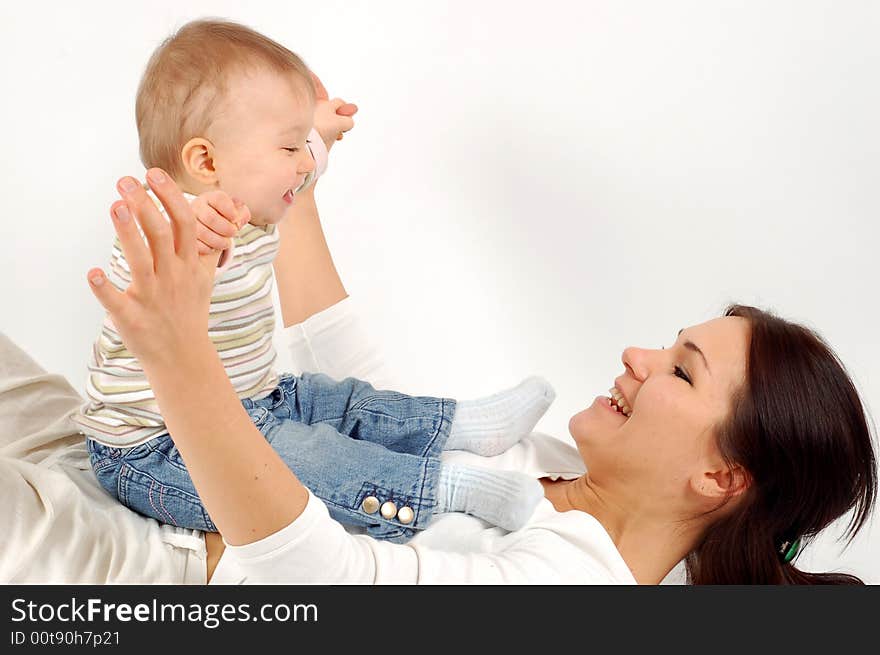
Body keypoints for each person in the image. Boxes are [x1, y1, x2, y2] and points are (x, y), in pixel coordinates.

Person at [85, 164, 877, 584]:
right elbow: (368, 393)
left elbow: (327, 580)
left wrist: (179, 349)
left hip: (138, 563)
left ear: (720, 476)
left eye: (680, 370)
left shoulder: (572, 582)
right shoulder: (560, 473)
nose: (638, 357)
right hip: (146, 470)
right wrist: (291, 188)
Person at [73, 18, 552, 544]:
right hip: (155, 448)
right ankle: (441, 488)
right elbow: (154, 271)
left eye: (303, 145)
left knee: (336, 399)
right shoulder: (168, 227)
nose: (304, 163)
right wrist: (198, 226)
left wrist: (314, 131)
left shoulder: (249, 196)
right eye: (289, 147)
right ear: (205, 161)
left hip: (254, 399)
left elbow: (292, 173)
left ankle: (459, 424)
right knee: (303, 457)